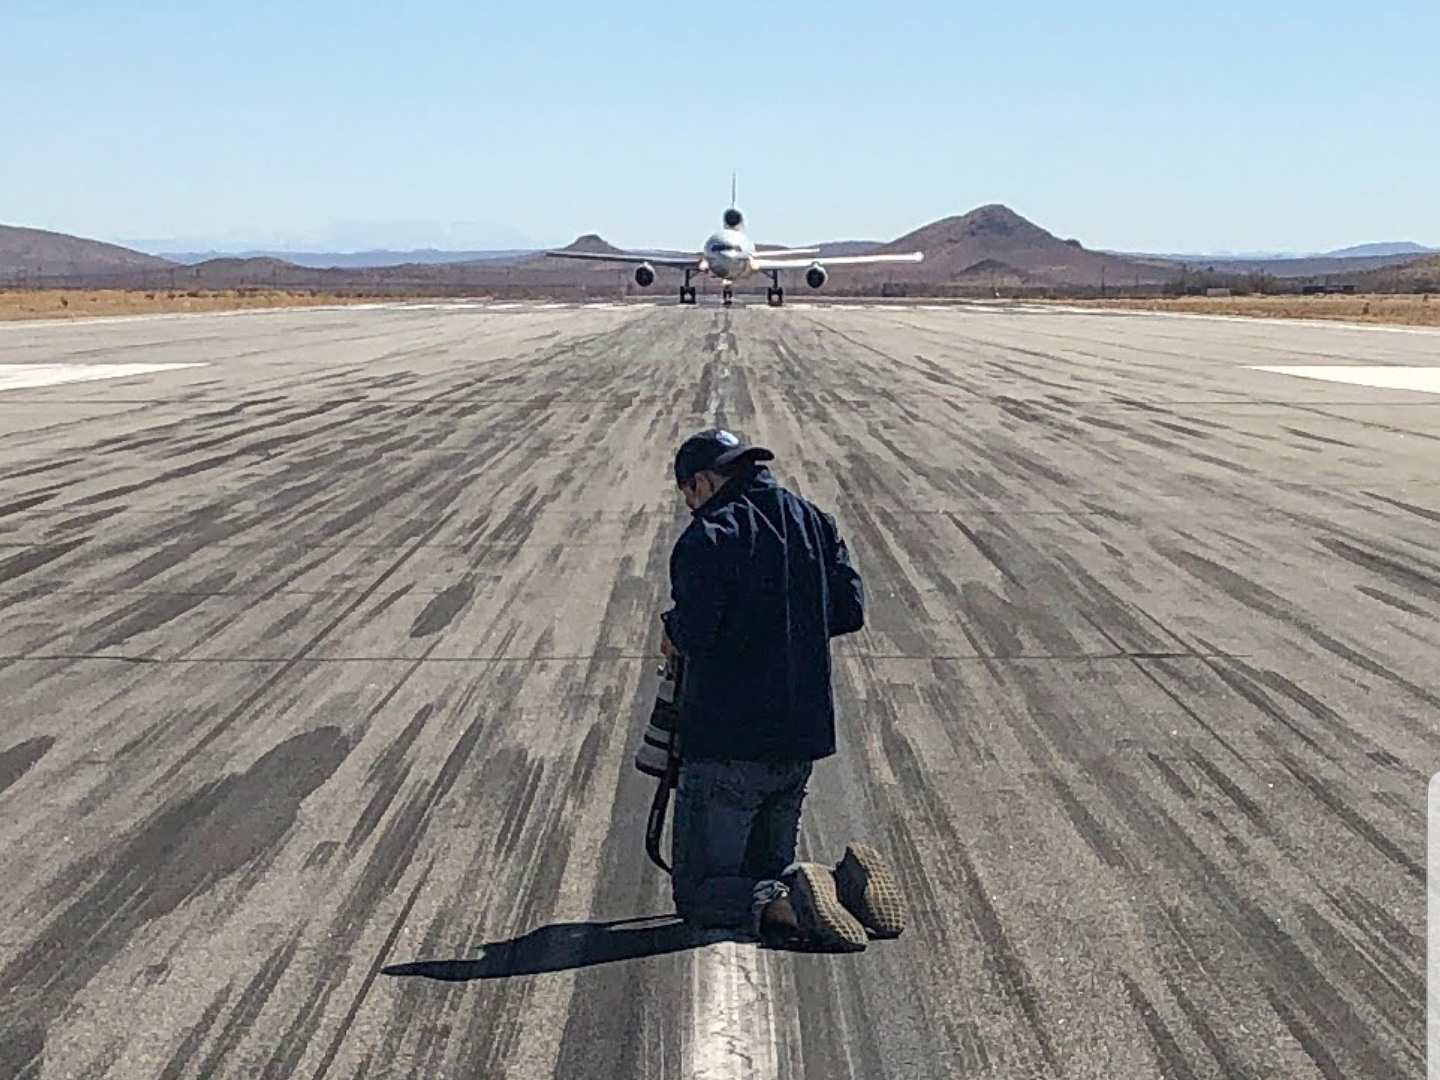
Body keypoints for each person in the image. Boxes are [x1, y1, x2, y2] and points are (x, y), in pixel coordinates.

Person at [660, 428, 907, 951]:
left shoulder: (709, 537)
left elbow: (696, 633)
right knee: (764, 866)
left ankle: (796, 897)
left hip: (728, 744)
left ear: (703, 482)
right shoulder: (815, 521)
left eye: (687, 492)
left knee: (701, 894)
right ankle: (841, 886)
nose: (688, 505)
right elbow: (849, 611)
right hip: (799, 741)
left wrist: (673, 631)